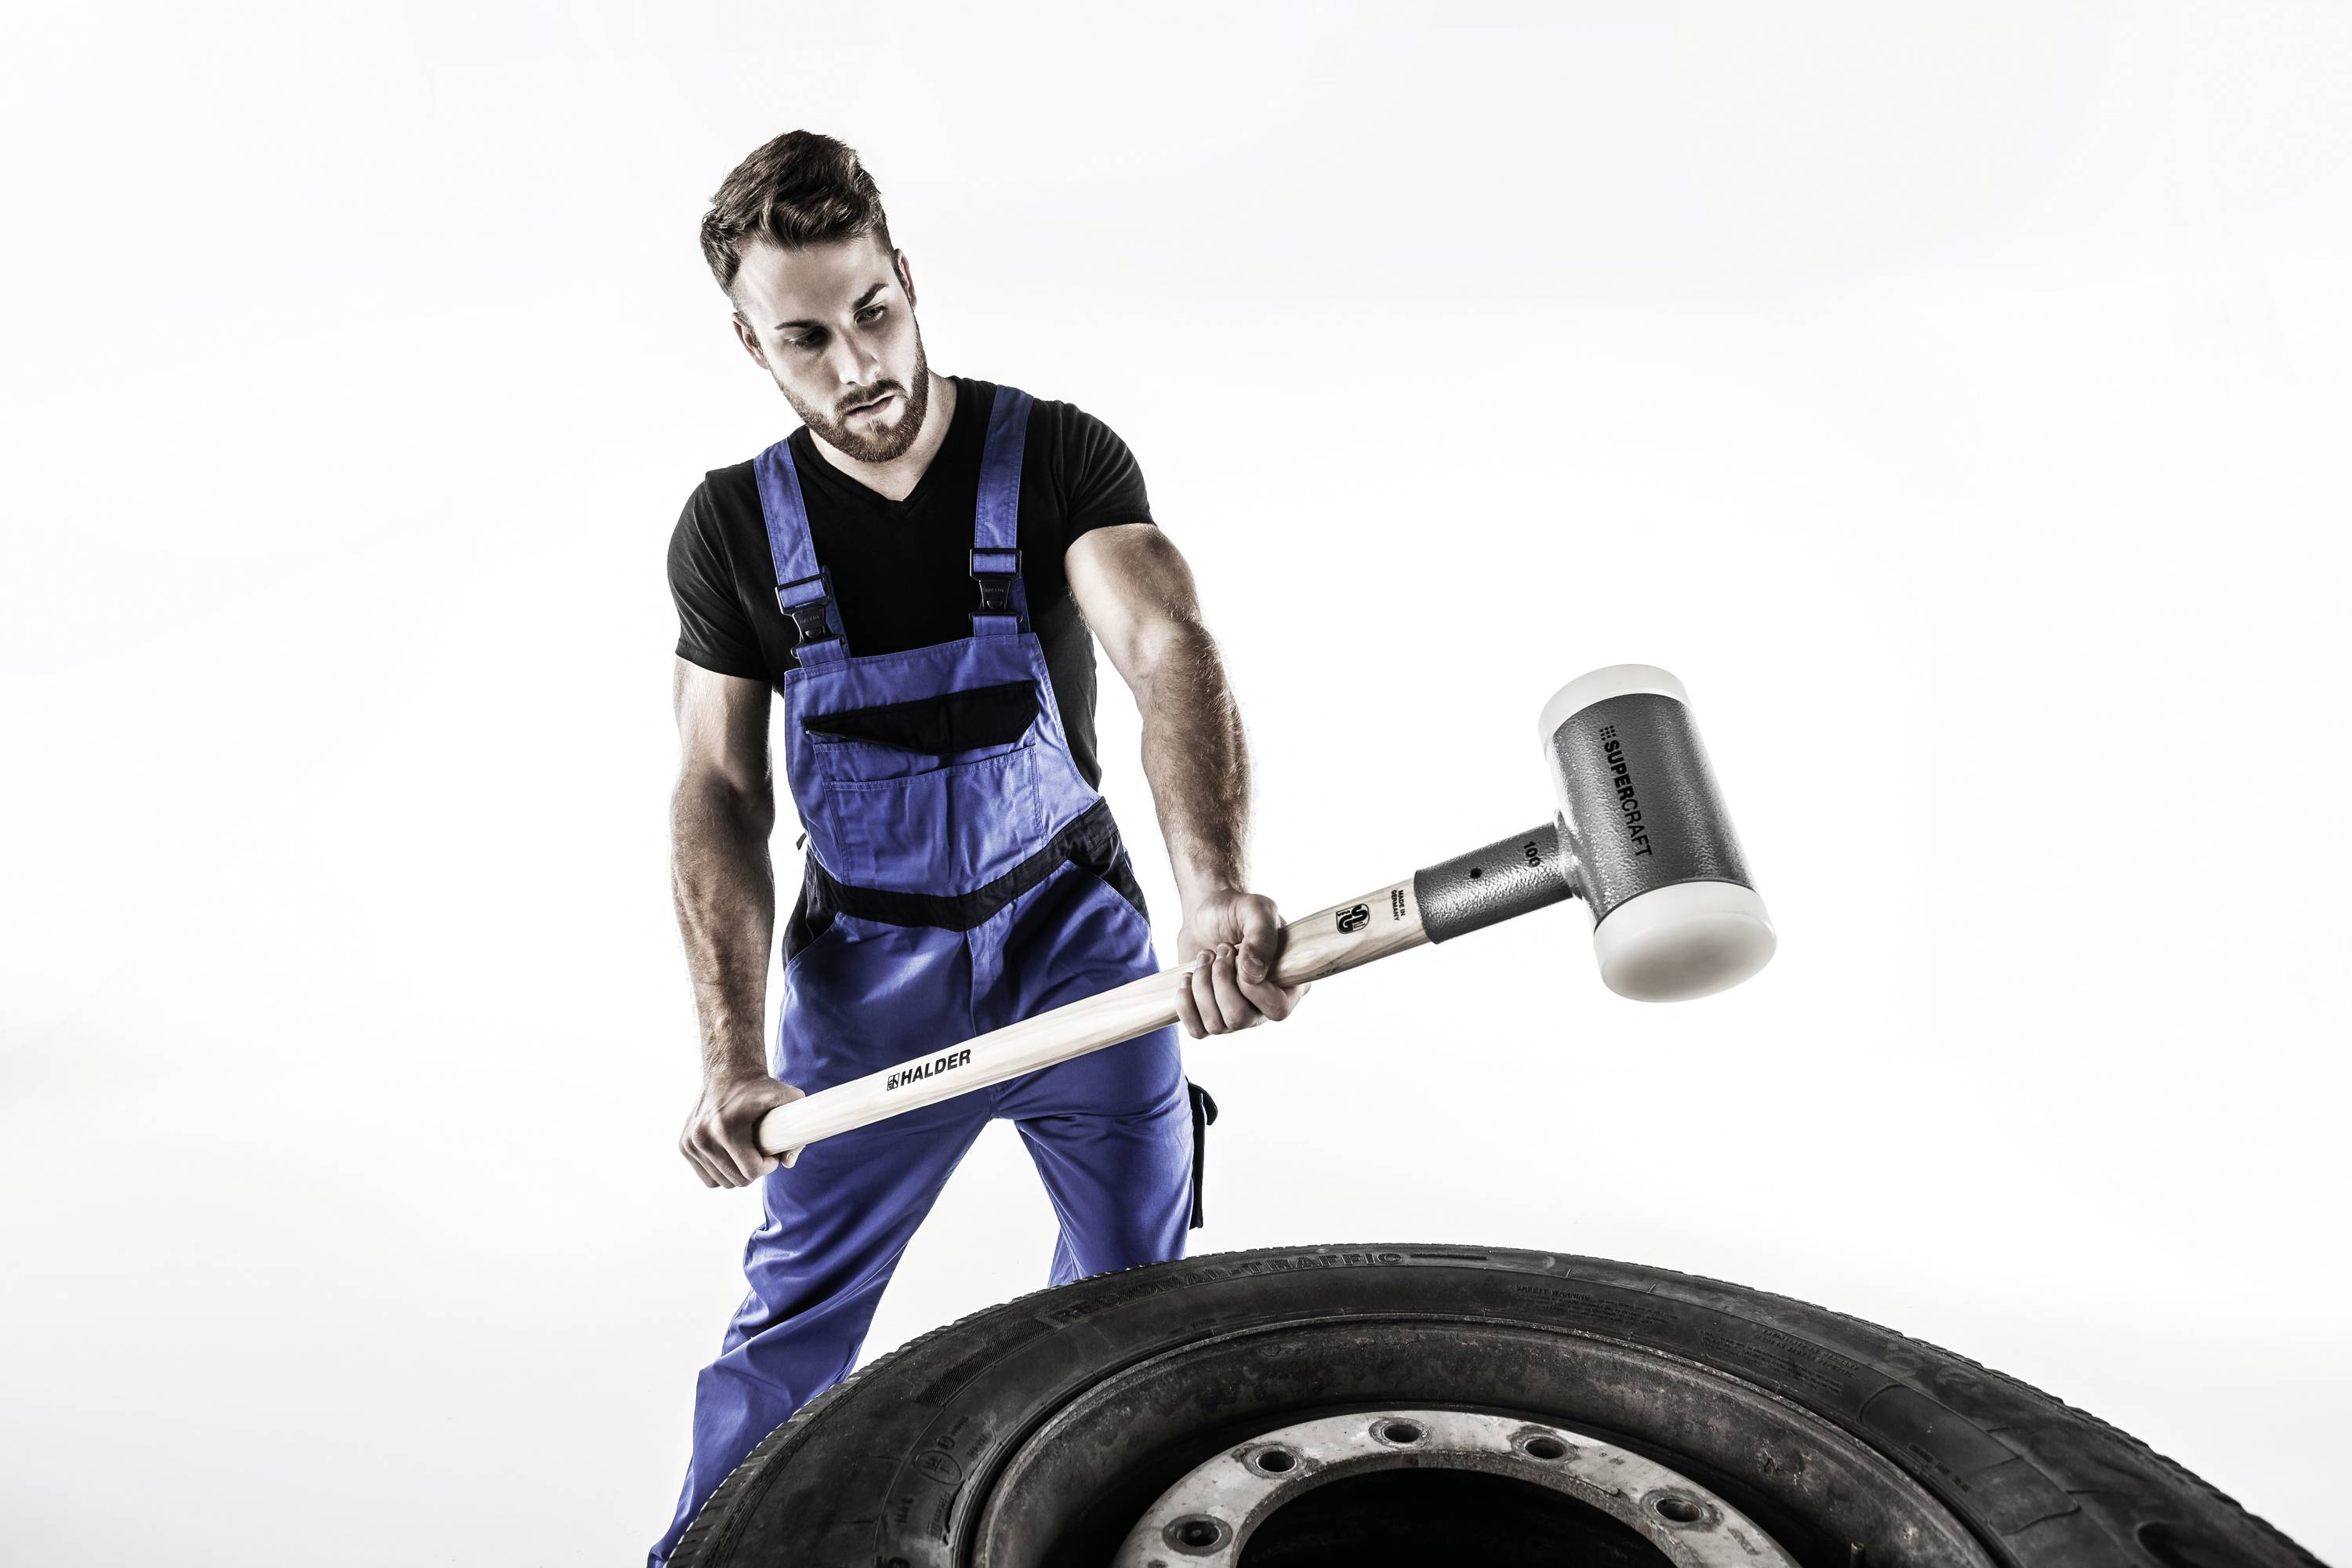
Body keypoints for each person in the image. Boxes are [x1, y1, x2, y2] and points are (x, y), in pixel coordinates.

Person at [651, 130, 1312, 1563]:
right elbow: (717, 791)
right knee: (791, 1330)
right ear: (752, 344)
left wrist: (1211, 896)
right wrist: (727, 1051)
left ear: (907, 277)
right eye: (808, 339)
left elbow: (1165, 647)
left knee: (1135, 1293)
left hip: (1078, 951)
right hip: (864, 991)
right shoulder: (731, 530)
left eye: (874, 311)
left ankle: (1090, 1541)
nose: (858, 366)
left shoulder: (1058, 456)